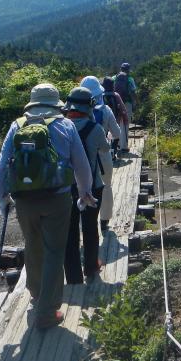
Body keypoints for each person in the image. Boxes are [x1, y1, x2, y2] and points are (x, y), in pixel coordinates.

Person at [0, 83, 95, 330]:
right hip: (57, 199)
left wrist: (3, 198)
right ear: (56, 104)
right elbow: (81, 166)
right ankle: (47, 313)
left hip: (24, 200)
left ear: (32, 103)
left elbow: (0, 166)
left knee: (33, 245)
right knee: (53, 252)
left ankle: (37, 296)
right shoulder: (66, 125)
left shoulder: (17, 125)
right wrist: (85, 193)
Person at [62, 86, 114, 283]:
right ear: (89, 107)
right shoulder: (95, 129)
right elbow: (105, 147)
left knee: (70, 230)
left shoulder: (60, 127)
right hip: (93, 187)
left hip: (66, 188)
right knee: (90, 227)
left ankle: (73, 275)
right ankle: (91, 267)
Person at [80, 76, 121, 231]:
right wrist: (107, 137)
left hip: (81, 156)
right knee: (106, 186)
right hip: (103, 155)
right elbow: (117, 133)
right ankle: (104, 221)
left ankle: (84, 221)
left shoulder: (72, 112)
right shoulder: (105, 110)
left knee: (82, 187)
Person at [101, 76, 129, 160]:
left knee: (105, 135)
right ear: (113, 85)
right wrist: (125, 118)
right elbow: (123, 108)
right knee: (115, 136)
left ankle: (105, 153)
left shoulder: (101, 95)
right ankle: (113, 153)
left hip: (103, 119)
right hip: (116, 118)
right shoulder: (116, 95)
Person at [113, 62, 138, 152]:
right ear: (128, 70)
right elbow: (133, 92)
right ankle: (124, 146)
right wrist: (135, 103)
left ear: (121, 69)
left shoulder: (114, 78)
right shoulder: (130, 79)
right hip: (127, 103)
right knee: (125, 124)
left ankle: (117, 144)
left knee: (117, 123)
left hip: (116, 103)